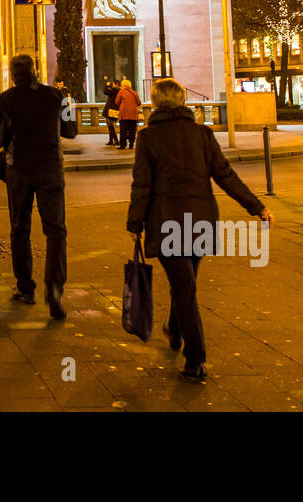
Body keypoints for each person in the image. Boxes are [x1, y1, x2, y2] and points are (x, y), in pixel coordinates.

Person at [127, 77, 273, 382]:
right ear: (182, 101)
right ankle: (175, 329)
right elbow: (225, 175)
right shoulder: (202, 134)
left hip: (167, 221)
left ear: (154, 102)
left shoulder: (149, 137)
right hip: (202, 220)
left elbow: (142, 184)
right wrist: (256, 206)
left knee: (185, 288)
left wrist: (134, 223)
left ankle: (195, 360)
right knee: (186, 284)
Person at [0, 54, 76, 319]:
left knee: (20, 230)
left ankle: (26, 288)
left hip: (19, 170)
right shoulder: (55, 96)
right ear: (35, 70)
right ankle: (55, 288)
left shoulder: (5, 100)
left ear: (14, 74)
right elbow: (70, 131)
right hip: (50, 169)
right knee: (56, 230)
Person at [116, 79, 142, 148]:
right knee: (132, 129)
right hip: (133, 114)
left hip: (124, 114)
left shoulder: (121, 92)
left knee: (123, 130)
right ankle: (131, 144)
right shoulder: (134, 92)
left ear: (123, 85)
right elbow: (139, 103)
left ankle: (123, 145)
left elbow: (117, 102)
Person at [103, 80, 120, 146]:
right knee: (110, 125)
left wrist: (107, 86)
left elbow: (105, 92)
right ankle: (111, 140)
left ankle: (115, 140)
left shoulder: (115, 90)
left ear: (116, 84)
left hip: (111, 110)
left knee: (111, 126)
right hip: (113, 109)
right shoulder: (117, 90)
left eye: (113, 84)